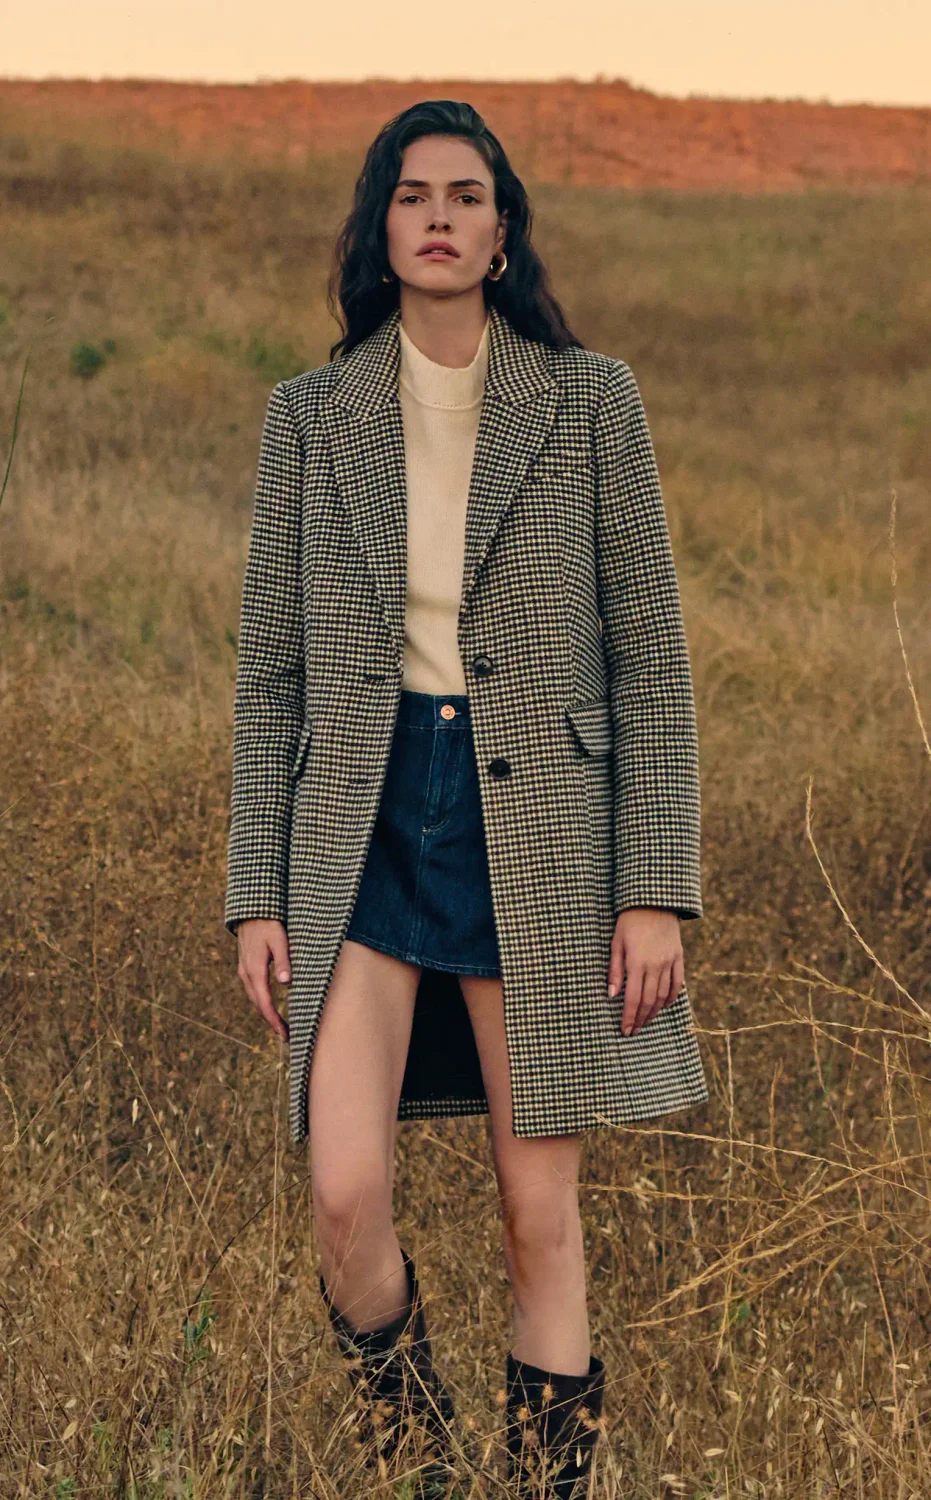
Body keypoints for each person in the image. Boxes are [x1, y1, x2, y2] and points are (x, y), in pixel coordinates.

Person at [225, 98, 708, 1499]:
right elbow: (271, 678)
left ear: (503, 234)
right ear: (381, 227)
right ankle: (422, 1463)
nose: (439, 215)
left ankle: (543, 1487)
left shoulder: (589, 402)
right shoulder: (310, 419)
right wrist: (255, 891)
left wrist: (651, 887)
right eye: (412, 194)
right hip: (362, 824)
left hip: (538, 838)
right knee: (342, 1193)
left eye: (467, 195)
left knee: (532, 1210)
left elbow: (652, 659)